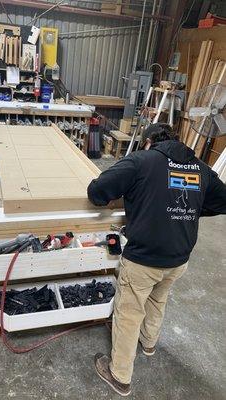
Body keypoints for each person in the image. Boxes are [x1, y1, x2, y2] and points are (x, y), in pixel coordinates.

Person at [87, 123, 226, 397]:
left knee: (128, 313)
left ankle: (120, 376)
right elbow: (222, 201)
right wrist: (191, 209)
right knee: (157, 299)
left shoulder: (141, 161)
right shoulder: (200, 167)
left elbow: (97, 191)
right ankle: (148, 343)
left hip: (144, 260)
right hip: (178, 260)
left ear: (149, 142)